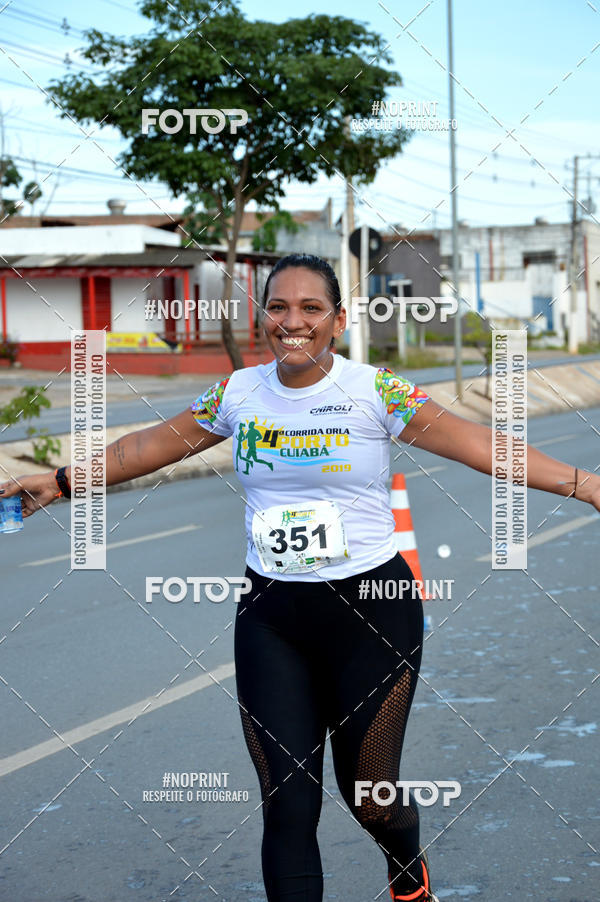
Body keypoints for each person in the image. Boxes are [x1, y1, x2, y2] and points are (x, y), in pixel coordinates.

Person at [2, 253, 599, 902]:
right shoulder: (237, 394)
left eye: (311, 308)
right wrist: (60, 482)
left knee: (371, 799)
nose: (293, 321)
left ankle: (406, 868)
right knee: (287, 807)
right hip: (272, 620)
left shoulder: (376, 392)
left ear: (338, 320)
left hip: (373, 614)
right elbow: (146, 446)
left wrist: (587, 484)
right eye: (278, 307)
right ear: (263, 317)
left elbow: (482, 445)